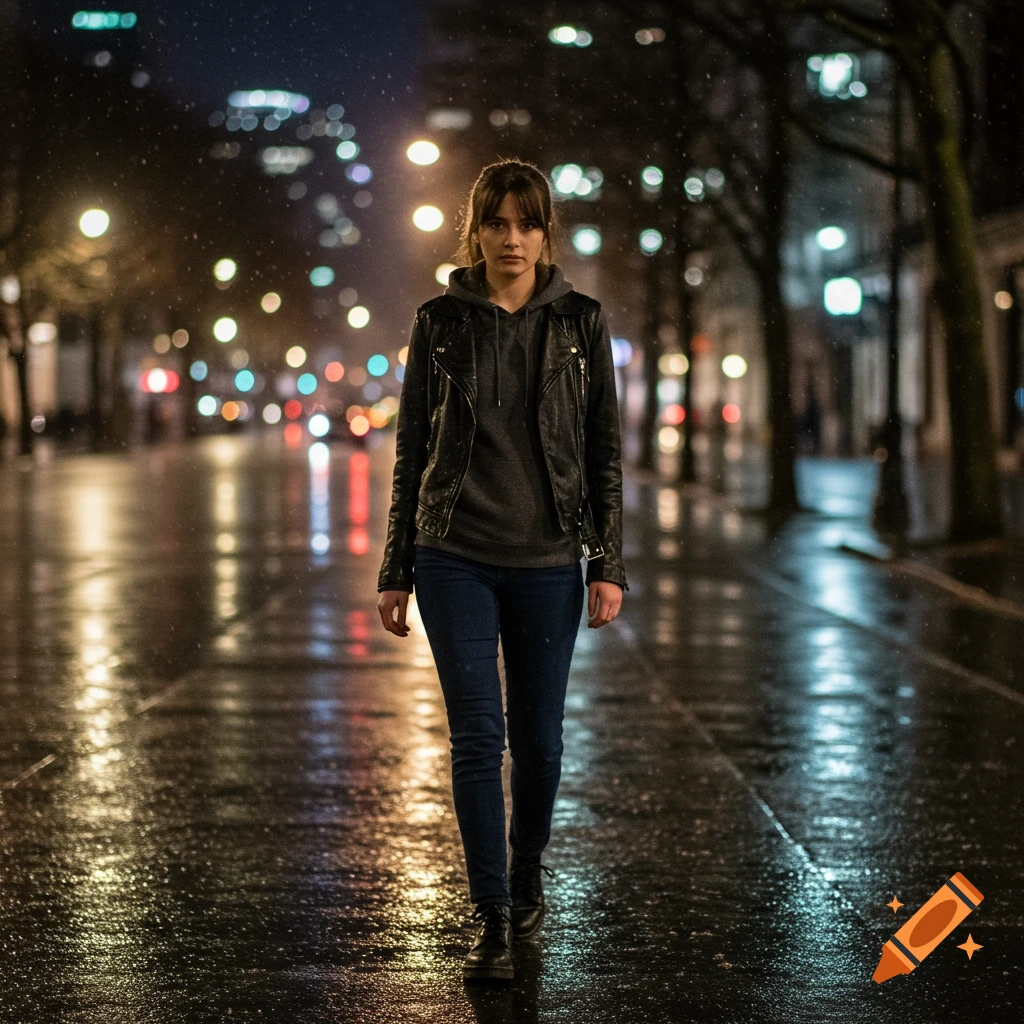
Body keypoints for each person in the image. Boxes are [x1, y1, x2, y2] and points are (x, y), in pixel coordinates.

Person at [376, 158, 628, 982]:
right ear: (475, 232)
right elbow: (413, 445)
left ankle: (526, 873)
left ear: (545, 231)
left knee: (543, 746)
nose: (511, 238)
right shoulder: (439, 321)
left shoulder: (581, 322)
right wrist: (397, 565)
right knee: (479, 738)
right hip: (454, 554)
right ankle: (491, 914)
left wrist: (606, 562)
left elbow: (602, 451)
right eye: (496, 222)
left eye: (526, 222)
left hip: (550, 556)